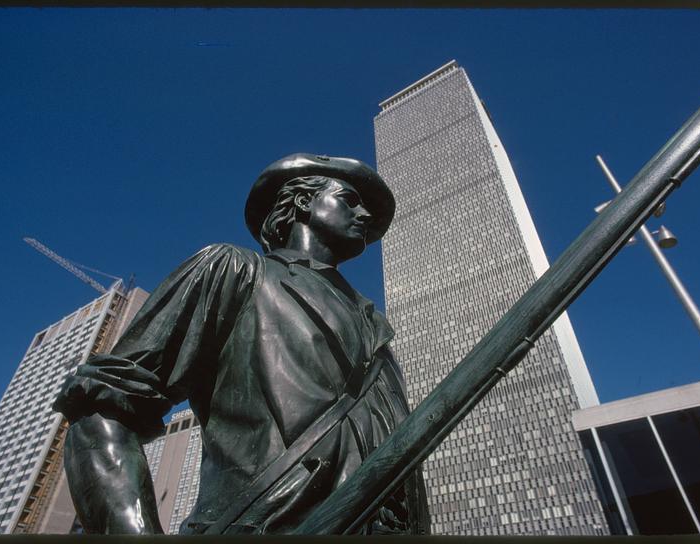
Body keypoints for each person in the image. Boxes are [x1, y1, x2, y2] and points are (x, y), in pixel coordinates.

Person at [53, 153, 430, 535]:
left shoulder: (374, 326)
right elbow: (101, 405)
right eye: (350, 199)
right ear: (303, 201)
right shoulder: (234, 270)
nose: (364, 214)